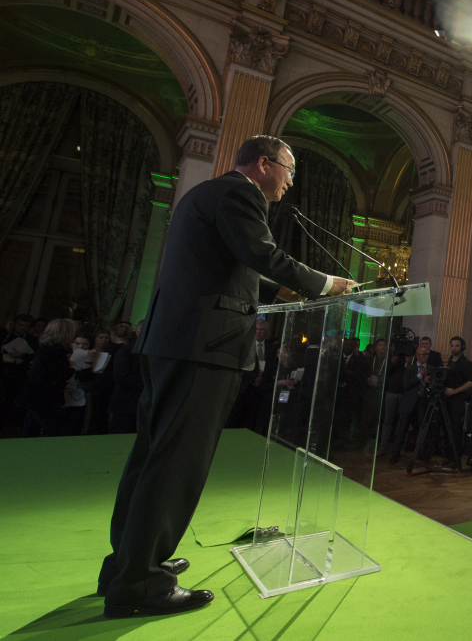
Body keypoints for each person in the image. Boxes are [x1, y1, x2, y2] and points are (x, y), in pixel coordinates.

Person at [98, 135, 353, 618]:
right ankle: (141, 585)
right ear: (263, 164)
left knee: (152, 455)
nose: (290, 182)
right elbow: (261, 253)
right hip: (204, 346)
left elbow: (235, 264)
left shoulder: (204, 193)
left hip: (173, 342)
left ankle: (129, 563)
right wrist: (325, 283)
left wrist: (283, 288)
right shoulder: (240, 194)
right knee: (176, 462)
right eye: (289, 170)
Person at [21, 318, 77, 437]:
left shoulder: (46, 348)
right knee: (52, 426)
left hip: (34, 394)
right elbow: (58, 376)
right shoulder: (57, 351)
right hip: (43, 396)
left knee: (32, 427)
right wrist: (72, 368)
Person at [439, 336, 472, 467]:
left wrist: (455, 390)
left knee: (455, 430)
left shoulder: (466, 362)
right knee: (446, 428)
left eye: (457, 346)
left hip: (458, 400)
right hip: (447, 399)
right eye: (452, 345)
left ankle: (455, 458)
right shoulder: (450, 360)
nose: (454, 348)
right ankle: (448, 456)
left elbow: (471, 382)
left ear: (462, 347)